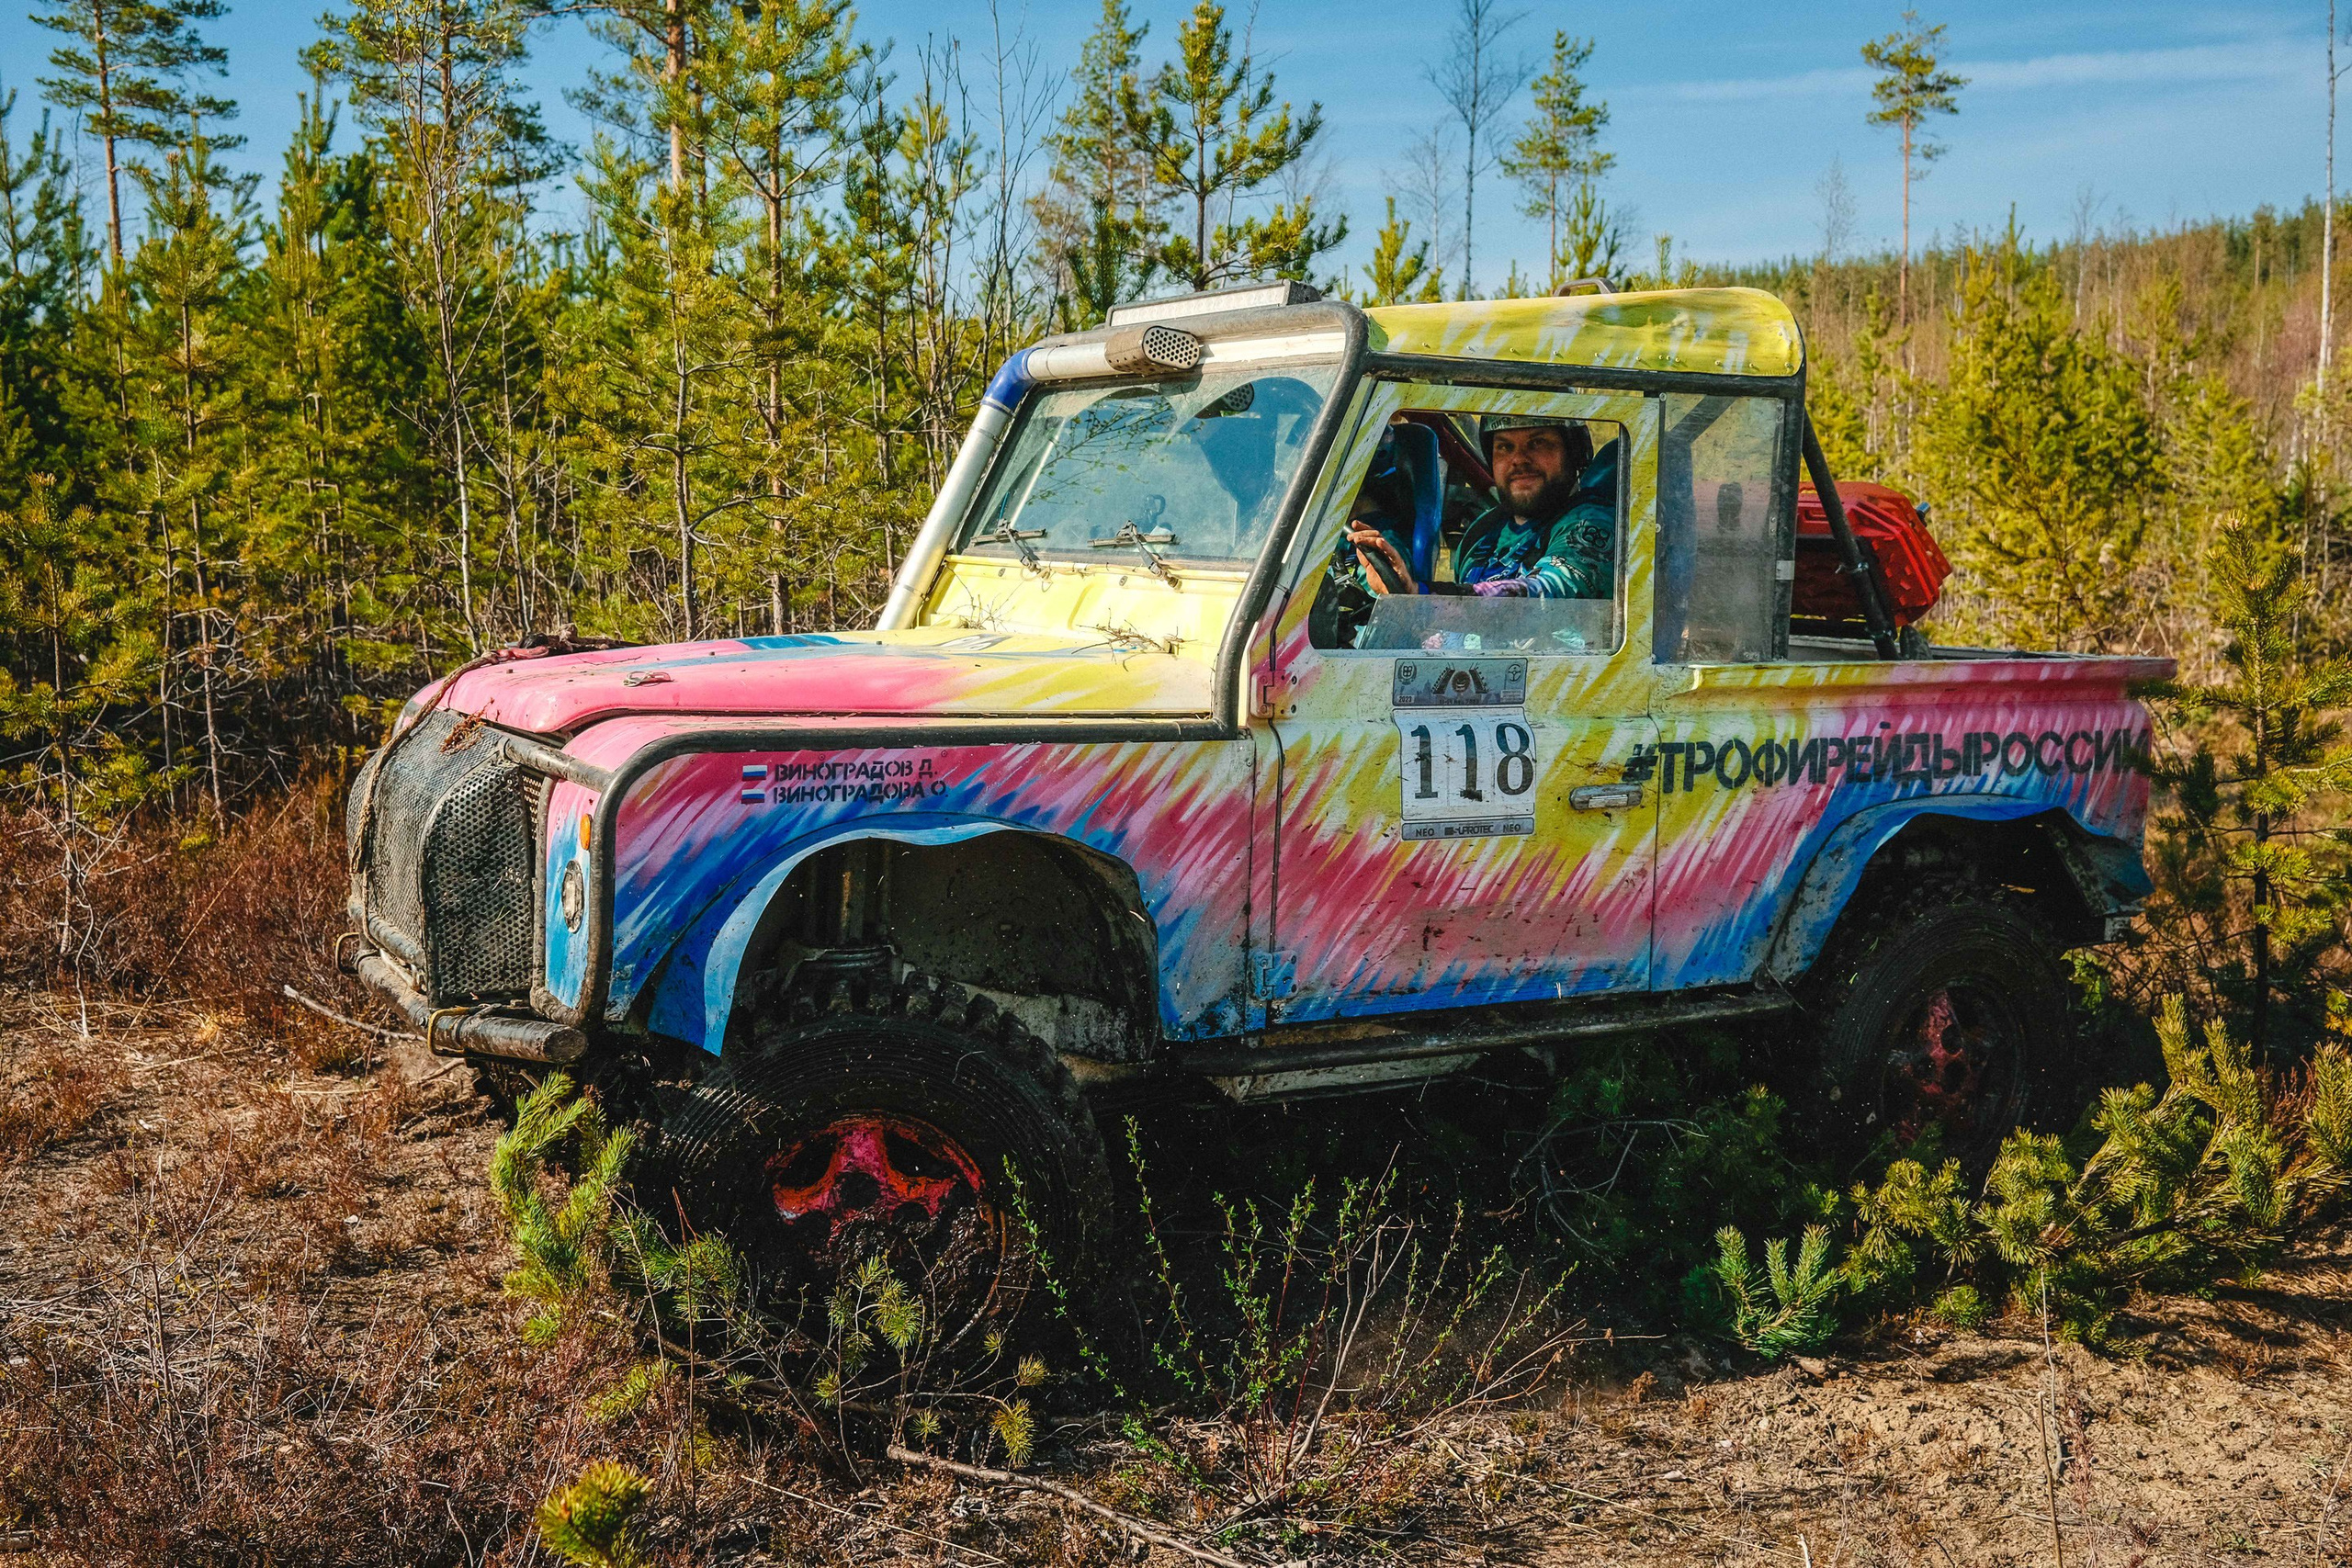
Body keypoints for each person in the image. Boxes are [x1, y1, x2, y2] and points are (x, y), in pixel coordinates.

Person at [1345, 414, 1616, 600]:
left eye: (1537, 443)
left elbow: (1545, 593)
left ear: (1575, 452)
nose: (1518, 459)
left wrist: (1423, 594)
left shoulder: (1591, 522)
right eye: (1504, 447)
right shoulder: (1483, 533)